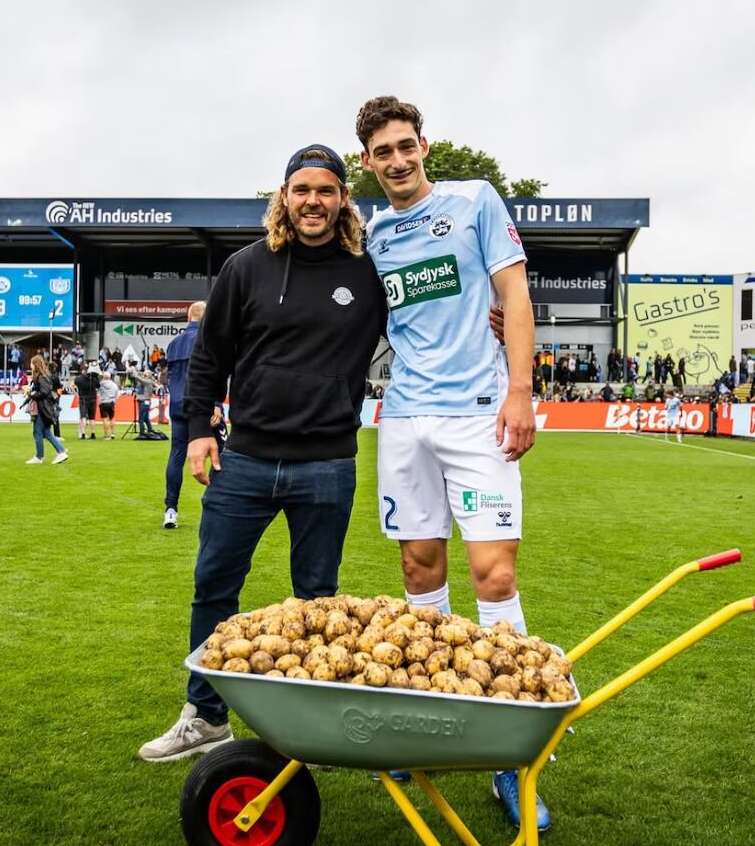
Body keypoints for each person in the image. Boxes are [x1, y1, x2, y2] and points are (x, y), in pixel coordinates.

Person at [138, 143, 388, 762]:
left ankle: (306, 723)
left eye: (326, 190)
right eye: (301, 189)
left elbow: (427, 323)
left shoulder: (366, 272)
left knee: (318, 599)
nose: (313, 201)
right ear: (284, 197)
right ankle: (205, 716)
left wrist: (490, 319)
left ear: (341, 200)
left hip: (328, 464)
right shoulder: (245, 268)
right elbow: (209, 356)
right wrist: (199, 429)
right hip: (245, 459)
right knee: (214, 585)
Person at [355, 96, 545, 831]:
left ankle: (511, 749)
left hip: (476, 414)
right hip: (402, 419)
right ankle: (426, 718)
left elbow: (514, 293)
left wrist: (520, 392)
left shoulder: (473, 201)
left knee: (493, 575)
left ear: (424, 146)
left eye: (406, 146)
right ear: (366, 162)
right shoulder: (371, 237)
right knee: (417, 572)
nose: (397, 160)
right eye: (382, 152)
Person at [163, 301, 210, 529]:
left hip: (177, 405)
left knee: (176, 455)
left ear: (188, 316)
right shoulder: (207, 340)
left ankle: (170, 509)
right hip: (201, 405)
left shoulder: (173, 344)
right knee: (219, 453)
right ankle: (218, 507)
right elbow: (210, 374)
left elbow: (170, 377)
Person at [23, 355, 68, 465]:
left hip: (42, 408)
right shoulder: (44, 376)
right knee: (47, 432)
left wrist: (31, 394)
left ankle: (39, 456)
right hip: (46, 408)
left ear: (35, 364)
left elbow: (44, 392)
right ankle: (60, 451)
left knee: (37, 432)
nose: (30, 365)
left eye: (31, 363)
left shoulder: (42, 377)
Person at [74, 363, 100, 439]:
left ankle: (83, 433)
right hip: (93, 399)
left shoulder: (79, 378)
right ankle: (93, 433)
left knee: (83, 416)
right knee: (92, 417)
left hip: (83, 399)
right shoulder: (94, 378)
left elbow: (75, 383)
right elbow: (98, 386)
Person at [132, 367, 157, 439]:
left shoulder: (147, 381)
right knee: (146, 418)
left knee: (141, 419)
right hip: (144, 401)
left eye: (145, 373)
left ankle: (142, 433)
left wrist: (134, 370)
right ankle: (150, 430)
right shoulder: (147, 381)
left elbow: (138, 378)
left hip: (144, 401)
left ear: (148, 375)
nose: (143, 374)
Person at [98, 371, 120, 439]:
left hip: (103, 402)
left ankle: (106, 434)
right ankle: (113, 433)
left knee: (105, 419)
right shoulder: (114, 385)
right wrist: (115, 401)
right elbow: (117, 394)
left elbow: (98, 391)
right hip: (111, 402)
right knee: (112, 418)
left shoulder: (100, 384)